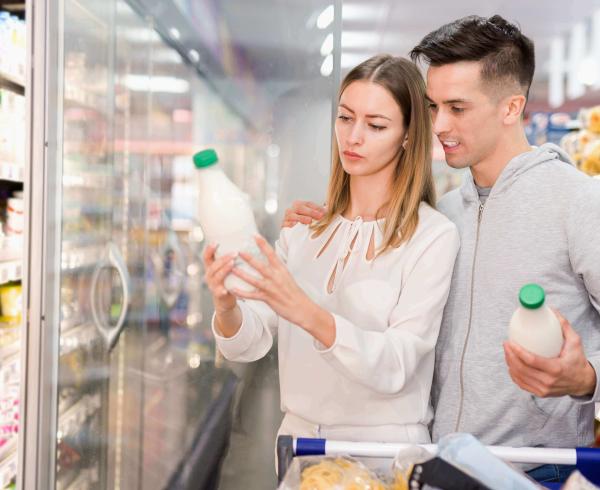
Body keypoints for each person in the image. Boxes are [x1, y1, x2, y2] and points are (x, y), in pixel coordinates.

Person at [285, 15, 600, 484]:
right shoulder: (441, 216)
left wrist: (587, 379)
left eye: (457, 107)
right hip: (438, 468)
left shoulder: (579, 202)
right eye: (432, 107)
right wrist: (329, 228)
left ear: (512, 106)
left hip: (538, 472)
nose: (439, 125)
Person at [203, 55, 459, 456]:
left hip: (385, 453)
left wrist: (304, 309)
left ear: (408, 136)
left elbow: (397, 363)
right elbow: (249, 345)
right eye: (344, 118)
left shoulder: (432, 236)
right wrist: (226, 305)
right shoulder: (305, 230)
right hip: (299, 444)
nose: (353, 137)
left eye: (375, 125)